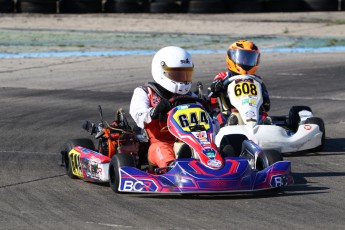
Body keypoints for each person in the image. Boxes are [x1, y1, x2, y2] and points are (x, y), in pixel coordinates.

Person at [129, 46, 195, 170]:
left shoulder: (191, 96)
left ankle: (221, 162)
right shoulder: (145, 92)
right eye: (176, 74)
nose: (182, 79)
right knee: (161, 149)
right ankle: (172, 168)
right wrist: (156, 111)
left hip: (192, 141)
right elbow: (139, 116)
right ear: (161, 71)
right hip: (160, 142)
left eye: (185, 74)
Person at [208, 39, 270, 125]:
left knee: (263, 116)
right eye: (242, 58)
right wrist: (217, 86)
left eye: (249, 59)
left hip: (252, 112)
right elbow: (210, 95)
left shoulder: (257, 79)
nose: (245, 62)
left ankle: (266, 127)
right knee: (221, 117)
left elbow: (266, 106)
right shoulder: (223, 76)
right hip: (230, 111)